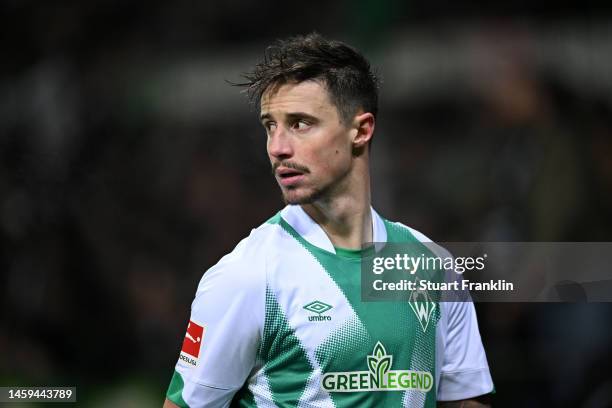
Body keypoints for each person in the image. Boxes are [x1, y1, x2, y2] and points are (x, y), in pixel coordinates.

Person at [163, 33, 494, 408]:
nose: (278, 147)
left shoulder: (435, 266)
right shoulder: (246, 277)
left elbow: (467, 402)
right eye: (270, 125)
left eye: (300, 123)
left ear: (361, 130)